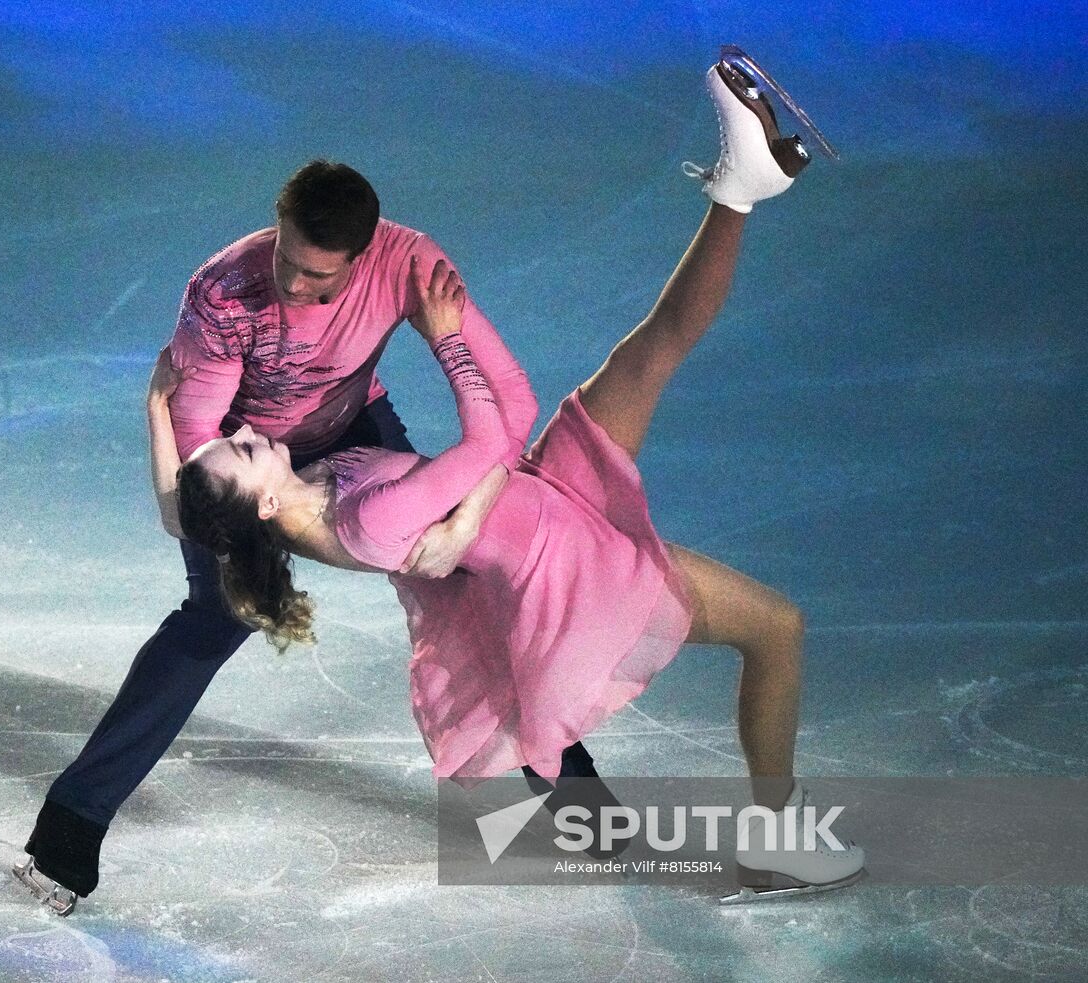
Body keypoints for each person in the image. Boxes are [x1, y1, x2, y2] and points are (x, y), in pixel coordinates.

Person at [156, 52, 865, 899]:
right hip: (563, 558)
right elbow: (494, 426)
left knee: (653, 346)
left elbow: (189, 513)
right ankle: (776, 839)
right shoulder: (365, 522)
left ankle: (740, 187)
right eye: (240, 447)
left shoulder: (304, 487)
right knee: (778, 628)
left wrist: (157, 415)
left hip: (534, 486)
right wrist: (447, 334)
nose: (244, 430)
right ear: (265, 498)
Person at [14, 158, 607, 915]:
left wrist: (462, 522)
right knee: (215, 617)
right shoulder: (223, 291)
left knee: (472, 575)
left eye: (317, 278)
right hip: (244, 455)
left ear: (361, 257)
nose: (293, 286)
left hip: (351, 436)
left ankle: (571, 788)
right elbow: (202, 447)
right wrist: (200, 498)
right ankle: (67, 836)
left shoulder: (410, 263)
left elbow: (505, 402)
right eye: (286, 261)